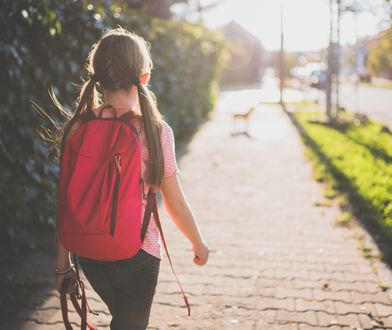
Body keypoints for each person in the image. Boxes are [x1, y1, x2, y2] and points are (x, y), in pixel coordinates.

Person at [54, 27, 209, 330]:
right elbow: (175, 202)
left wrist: (62, 267)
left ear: (97, 75)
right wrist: (198, 243)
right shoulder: (155, 131)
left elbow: (64, 202)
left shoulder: (77, 128)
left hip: (87, 252)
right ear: (144, 76)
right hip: (137, 255)